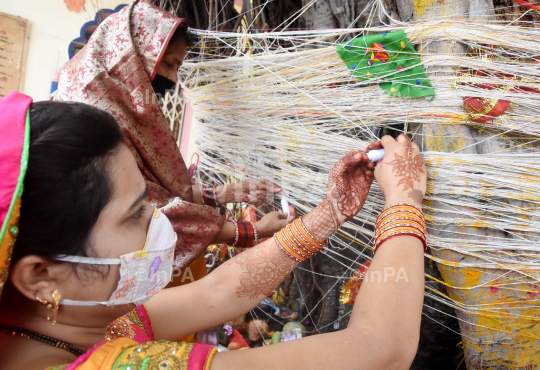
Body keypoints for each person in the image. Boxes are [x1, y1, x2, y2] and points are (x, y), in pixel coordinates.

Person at [0, 91, 427, 370]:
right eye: (134, 215)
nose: (160, 221)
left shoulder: (71, 324)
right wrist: (404, 202)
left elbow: (217, 293)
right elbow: (381, 350)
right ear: (41, 276)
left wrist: (330, 212)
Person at [52, 0, 294, 283]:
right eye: (168, 64)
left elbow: (153, 188)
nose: (172, 78)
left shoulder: (111, 101)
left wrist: (227, 193)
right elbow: (152, 214)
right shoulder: (94, 123)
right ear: (131, 55)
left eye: (177, 67)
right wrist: (251, 231)